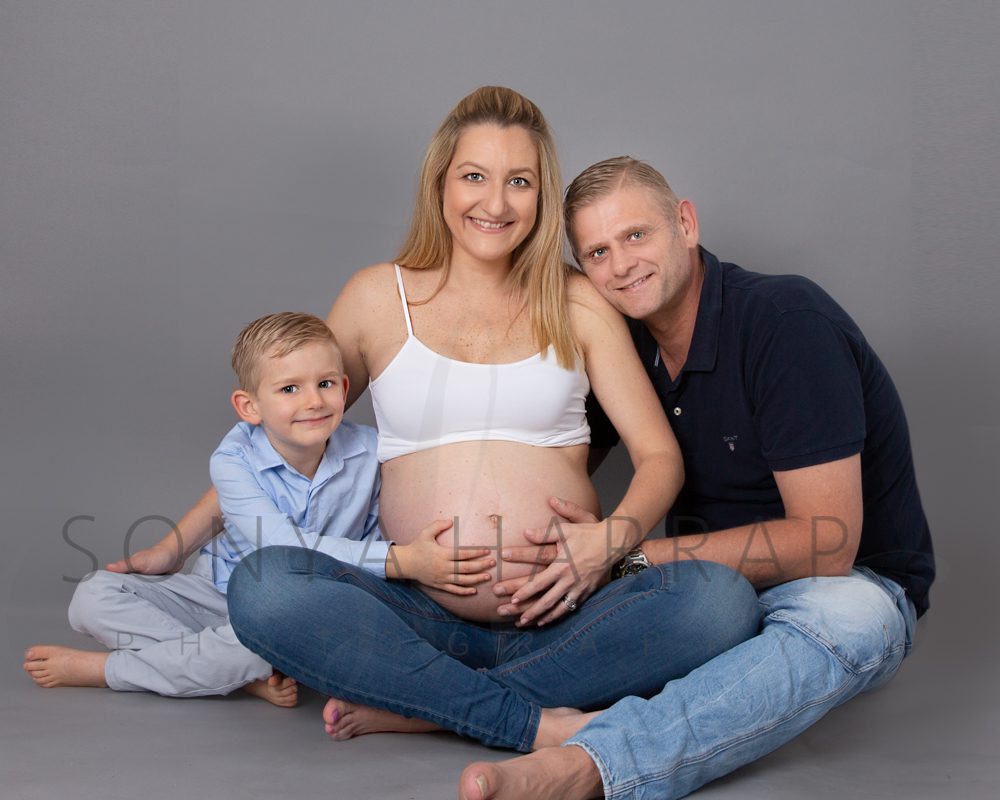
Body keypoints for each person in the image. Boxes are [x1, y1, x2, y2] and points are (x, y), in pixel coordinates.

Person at [225, 88, 760, 751]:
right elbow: (284, 431)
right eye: (474, 177)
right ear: (440, 184)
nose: (495, 203)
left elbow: (660, 456)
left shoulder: (579, 302)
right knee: (262, 589)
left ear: (541, 196)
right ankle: (525, 716)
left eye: (520, 182)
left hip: (572, 607)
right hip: (416, 609)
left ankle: (430, 701)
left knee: (721, 601)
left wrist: (611, 542)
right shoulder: (374, 298)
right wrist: (184, 538)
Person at [459, 156, 935, 799]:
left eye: (636, 235)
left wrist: (624, 557)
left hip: (840, 584)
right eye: (596, 253)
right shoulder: (623, 343)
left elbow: (828, 543)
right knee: (539, 596)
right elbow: (553, 457)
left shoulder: (786, 321)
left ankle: (588, 769)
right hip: (698, 595)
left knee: (853, 618)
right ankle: (437, 698)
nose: (621, 265)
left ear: (684, 222)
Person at [23, 311, 485, 704]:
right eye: (289, 389)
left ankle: (111, 670)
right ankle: (236, 675)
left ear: (344, 389)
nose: (312, 401)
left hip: (295, 610)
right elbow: (283, 548)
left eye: (325, 383)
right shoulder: (232, 460)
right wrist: (401, 561)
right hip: (219, 592)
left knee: (266, 641)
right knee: (91, 596)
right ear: (249, 406)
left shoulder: (373, 452)